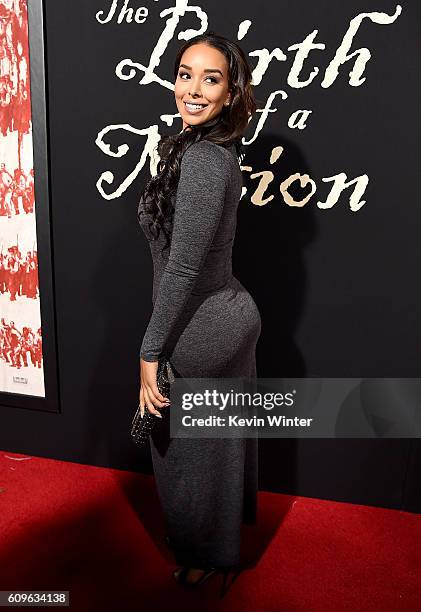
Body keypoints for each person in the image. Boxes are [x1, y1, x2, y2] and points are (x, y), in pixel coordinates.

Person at [137, 31, 261, 592]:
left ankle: (207, 552)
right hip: (216, 315)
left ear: (231, 93)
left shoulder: (207, 161)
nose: (193, 88)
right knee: (210, 446)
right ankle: (214, 544)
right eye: (186, 73)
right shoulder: (186, 146)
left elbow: (183, 270)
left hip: (206, 326)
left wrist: (150, 352)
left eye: (211, 79)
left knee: (187, 450)